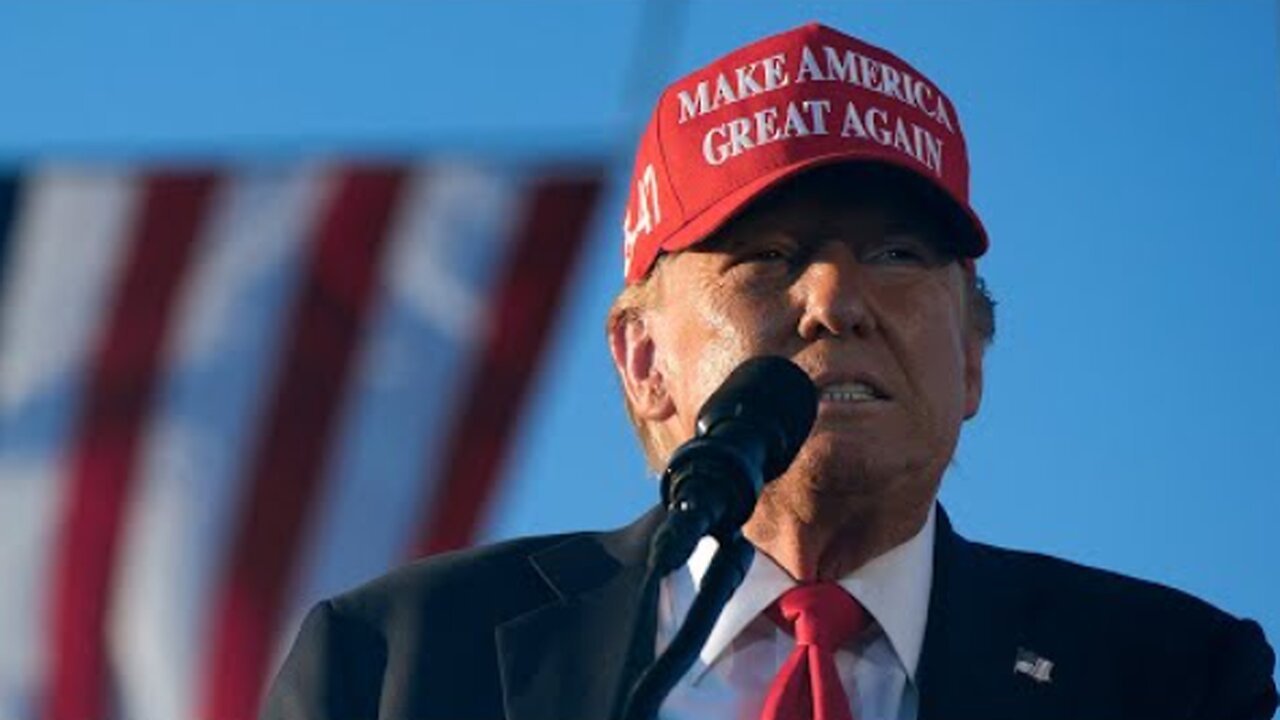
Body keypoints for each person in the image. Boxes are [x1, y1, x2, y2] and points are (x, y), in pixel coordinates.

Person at [261, 23, 1277, 720]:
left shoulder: (1167, 678)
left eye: (895, 256)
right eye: (769, 258)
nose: (834, 301)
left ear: (971, 356)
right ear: (644, 360)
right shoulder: (399, 666)